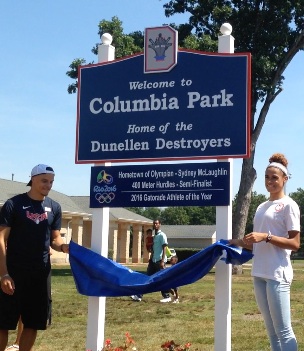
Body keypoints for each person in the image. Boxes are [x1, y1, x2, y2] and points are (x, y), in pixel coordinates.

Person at [229, 153, 300, 351]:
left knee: (284, 331)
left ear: (285, 179)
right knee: (271, 332)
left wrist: (266, 237)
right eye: (267, 177)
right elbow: (256, 243)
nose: (270, 181)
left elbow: (295, 243)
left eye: (274, 177)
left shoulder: (289, 205)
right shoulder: (261, 206)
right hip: (259, 273)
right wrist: (232, 242)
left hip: (277, 274)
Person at [0, 164, 69, 351]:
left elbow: (55, 238)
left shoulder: (54, 207)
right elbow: (1, 238)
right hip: (14, 272)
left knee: (33, 322)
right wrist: (4, 274)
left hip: (40, 274)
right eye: (44, 181)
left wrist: (63, 246)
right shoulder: (13, 205)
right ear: (33, 179)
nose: (48, 185)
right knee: (3, 322)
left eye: (51, 182)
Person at [131, 219, 171, 303]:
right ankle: (139, 295)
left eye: (157, 223)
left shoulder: (162, 235)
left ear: (160, 224)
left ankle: (167, 296)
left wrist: (163, 261)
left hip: (160, 261)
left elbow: (164, 248)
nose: (155, 225)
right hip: (153, 260)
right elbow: (152, 249)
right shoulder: (154, 236)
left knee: (161, 279)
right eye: (154, 223)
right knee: (147, 278)